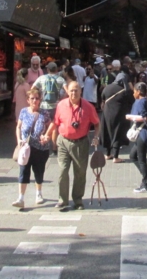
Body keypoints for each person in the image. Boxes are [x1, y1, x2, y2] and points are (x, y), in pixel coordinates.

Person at [42, 82, 100, 211]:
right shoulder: (61, 105)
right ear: (67, 92)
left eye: (76, 90)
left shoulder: (88, 107)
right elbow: (55, 122)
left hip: (81, 143)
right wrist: (47, 135)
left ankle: (78, 200)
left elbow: (97, 123)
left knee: (80, 173)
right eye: (71, 91)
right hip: (63, 141)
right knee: (63, 171)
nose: (74, 93)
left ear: (80, 91)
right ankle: (62, 200)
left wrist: (96, 137)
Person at [13, 88, 51, 209]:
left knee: (39, 171)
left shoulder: (44, 113)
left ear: (40, 100)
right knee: (23, 171)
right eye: (32, 98)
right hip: (26, 148)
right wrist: (19, 139)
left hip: (40, 149)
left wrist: (47, 137)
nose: (34, 100)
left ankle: (38, 193)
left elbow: (50, 128)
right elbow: (18, 127)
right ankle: (21, 198)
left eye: (37, 98)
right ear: (28, 100)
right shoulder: (24, 112)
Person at [100, 75, 133, 162]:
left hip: (107, 113)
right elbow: (131, 101)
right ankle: (115, 156)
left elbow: (102, 98)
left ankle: (107, 154)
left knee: (107, 132)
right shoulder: (125, 90)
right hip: (119, 115)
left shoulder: (107, 88)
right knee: (117, 133)